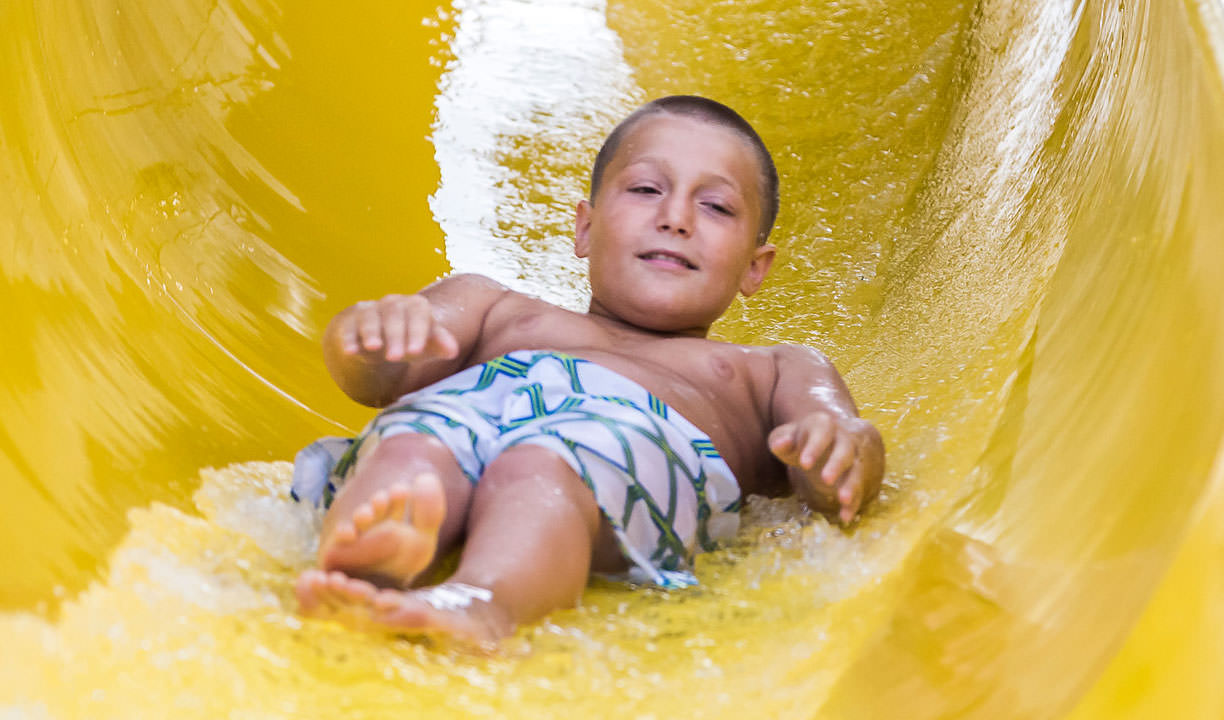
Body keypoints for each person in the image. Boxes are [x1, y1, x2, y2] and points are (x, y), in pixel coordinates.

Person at [291, 95, 885, 646]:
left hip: (615, 450)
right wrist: (369, 337)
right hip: (474, 411)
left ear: (755, 268)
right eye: (647, 189)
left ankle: (483, 601)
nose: (676, 217)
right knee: (417, 445)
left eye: (716, 206)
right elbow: (374, 380)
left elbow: (841, 464)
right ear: (585, 226)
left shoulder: (771, 370)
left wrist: (833, 451)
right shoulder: (490, 304)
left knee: (541, 466)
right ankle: (371, 561)